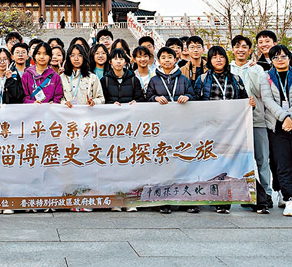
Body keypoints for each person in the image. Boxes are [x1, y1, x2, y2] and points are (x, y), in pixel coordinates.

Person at [192, 45, 251, 214]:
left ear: (226, 59)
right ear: (209, 61)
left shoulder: (236, 79)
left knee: (227, 163)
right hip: (210, 127)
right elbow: (196, 102)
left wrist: (250, 105)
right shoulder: (202, 79)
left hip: (231, 129)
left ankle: (223, 201)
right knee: (210, 163)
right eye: (214, 57)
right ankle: (210, 196)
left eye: (221, 56)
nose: (218, 60)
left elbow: (244, 101)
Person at [259, 44, 292, 218]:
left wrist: (290, 118)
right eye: (275, 57)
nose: (280, 60)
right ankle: (289, 199)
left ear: (289, 58)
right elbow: (267, 100)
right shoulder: (266, 77)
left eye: (283, 56)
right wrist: (284, 118)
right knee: (282, 165)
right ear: (271, 60)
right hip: (277, 127)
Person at [144, 46, 194, 214]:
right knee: (163, 163)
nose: (166, 60)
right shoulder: (154, 80)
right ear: (158, 61)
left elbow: (194, 96)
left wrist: (188, 97)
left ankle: (186, 200)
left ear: (175, 59)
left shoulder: (184, 80)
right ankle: (164, 200)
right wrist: (154, 98)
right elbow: (147, 99)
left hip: (182, 127)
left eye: (170, 57)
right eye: (163, 57)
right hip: (162, 128)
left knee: (183, 162)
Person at [229, 35, 271, 213]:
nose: (241, 50)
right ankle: (238, 193)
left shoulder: (257, 69)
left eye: (244, 47)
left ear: (250, 50)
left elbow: (262, 92)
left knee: (262, 159)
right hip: (233, 124)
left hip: (256, 120)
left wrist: (253, 71)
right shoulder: (226, 68)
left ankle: (266, 194)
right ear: (232, 49)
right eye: (237, 46)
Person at [101, 48, 144, 212]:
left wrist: (136, 103)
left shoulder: (133, 79)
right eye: (115, 59)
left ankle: (130, 200)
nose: (118, 62)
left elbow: (141, 99)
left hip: (129, 128)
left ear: (126, 62)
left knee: (129, 165)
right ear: (110, 61)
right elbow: (102, 101)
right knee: (112, 165)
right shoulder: (104, 80)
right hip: (111, 129)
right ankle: (115, 201)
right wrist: (110, 106)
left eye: (121, 59)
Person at [255, 29, 279, 206]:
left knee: (279, 157)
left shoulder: (286, 60)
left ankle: (284, 193)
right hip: (265, 118)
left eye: (267, 41)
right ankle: (266, 193)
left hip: (283, 117)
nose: (264, 44)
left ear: (274, 43)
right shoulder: (258, 65)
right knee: (267, 157)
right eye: (260, 42)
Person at [61, 43, 104, 108]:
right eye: (72, 55)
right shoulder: (62, 77)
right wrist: (64, 103)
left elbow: (101, 99)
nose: (76, 59)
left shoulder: (92, 77)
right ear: (68, 57)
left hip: (87, 115)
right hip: (68, 115)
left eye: (80, 55)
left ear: (84, 57)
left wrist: (94, 102)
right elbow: (58, 98)